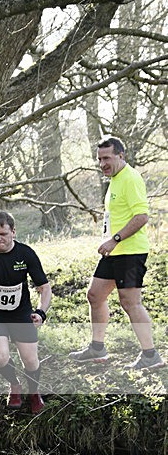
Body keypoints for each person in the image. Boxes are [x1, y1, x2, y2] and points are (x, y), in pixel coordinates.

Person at [69, 136, 164, 369]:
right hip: (115, 252)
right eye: (99, 159)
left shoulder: (130, 178)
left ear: (121, 156)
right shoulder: (115, 179)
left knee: (130, 302)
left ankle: (151, 355)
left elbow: (141, 217)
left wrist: (115, 239)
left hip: (130, 251)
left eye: (107, 158)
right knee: (95, 295)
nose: (103, 163)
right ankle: (97, 348)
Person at [0, 210, 52, 414]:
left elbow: (45, 288)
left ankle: (34, 393)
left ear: (13, 232)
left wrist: (41, 312)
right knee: (0, 357)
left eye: (3, 234)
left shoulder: (25, 254)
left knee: (31, 360)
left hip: (20, 314)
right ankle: (14, 384)